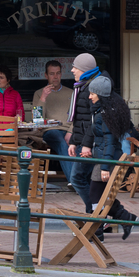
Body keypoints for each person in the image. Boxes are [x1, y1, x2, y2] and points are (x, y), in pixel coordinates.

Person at [82, 75, 138, 240]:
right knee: (100, 196)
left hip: (105, 161)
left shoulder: (103, 115)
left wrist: (105, 167)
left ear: (100, 94)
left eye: (92, 93)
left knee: (94, 196)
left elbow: (110, 142)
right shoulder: (106, 112)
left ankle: (97, 232)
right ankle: (125, 218)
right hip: (104, 159)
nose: (90, 96)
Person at [32, 61, 88, 205]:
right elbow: (37, 120)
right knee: (60, 140)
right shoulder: (39, 93)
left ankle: (84, 180)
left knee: (84, 145)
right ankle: (75, 182)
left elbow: (78, 115)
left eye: (58, 73)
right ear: (46, 75)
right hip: (50, 131)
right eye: (52, 74)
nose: (55, 77)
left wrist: (70, 131)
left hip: (70, 130)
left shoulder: (71, 92)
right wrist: (43, 97)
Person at [65, 53, 103, 213]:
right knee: (87, 180)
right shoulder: (83, 86)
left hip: (91, 144)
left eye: (76, 67)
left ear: (85, 69)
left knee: (77, 178)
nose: (72, 70)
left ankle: (96, 216)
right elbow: (80, 118)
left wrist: (86, 145)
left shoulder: (92, 88)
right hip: (85, 142)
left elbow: (93, 121)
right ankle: (101, 215)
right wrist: (74, 140)